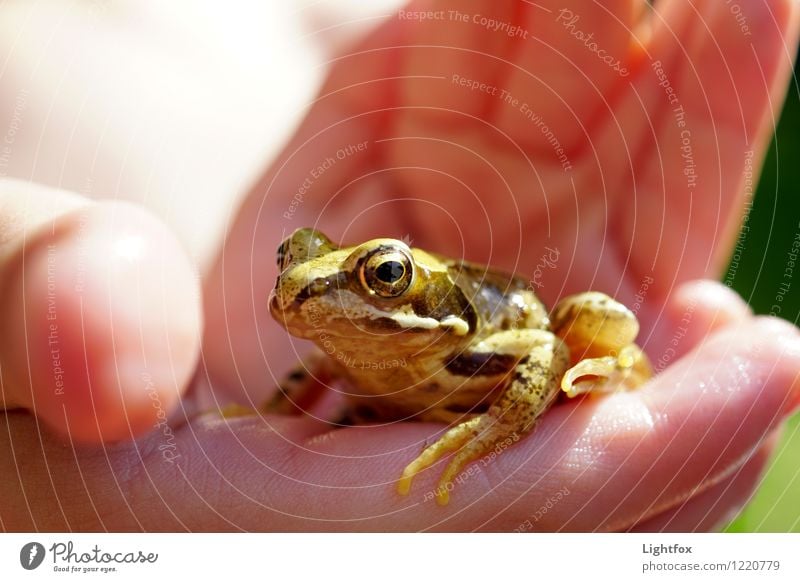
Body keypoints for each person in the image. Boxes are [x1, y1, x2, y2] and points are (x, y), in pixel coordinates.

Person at [1, 0, 799, 531]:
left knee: (589, 322)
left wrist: (498, 426)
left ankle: (619, 368)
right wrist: (247, 419)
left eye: (380, 275)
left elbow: (541, 347)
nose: (306, 287)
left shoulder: (467, 338)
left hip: (509, 327)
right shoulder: (328, 350)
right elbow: (302, 381)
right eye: (298, 265)